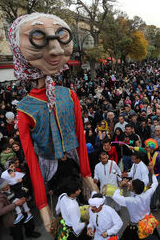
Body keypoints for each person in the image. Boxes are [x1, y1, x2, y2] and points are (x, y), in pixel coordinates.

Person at [11, 13, 97, 231]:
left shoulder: (69, 95)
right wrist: (43, 207)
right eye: (38, 37)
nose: (56, 49)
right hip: (52, 174)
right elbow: (31, 159)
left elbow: (80, 136)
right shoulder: (25, 108)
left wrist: (88, 178)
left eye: (61, 36)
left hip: (74, 169)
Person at [112, 164, 160, 240]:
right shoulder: (147, 194)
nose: (129, 184)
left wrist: (120, 187)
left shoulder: (130, 200)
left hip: (135, 228)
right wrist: (152, 172)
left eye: (131, 185)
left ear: (134, 191)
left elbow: (115, 197)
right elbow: (155, 184)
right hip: (148, 223)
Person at [130, 138, 160, 210]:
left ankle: (156, 205)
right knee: (156, 190)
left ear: (152, 148)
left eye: (147, 147)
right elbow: (142, 149)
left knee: (156, 190)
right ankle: (158, 205)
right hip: (153, 174)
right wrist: (133, 148)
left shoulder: (159, 156)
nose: (146, 148)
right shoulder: (148, 151)